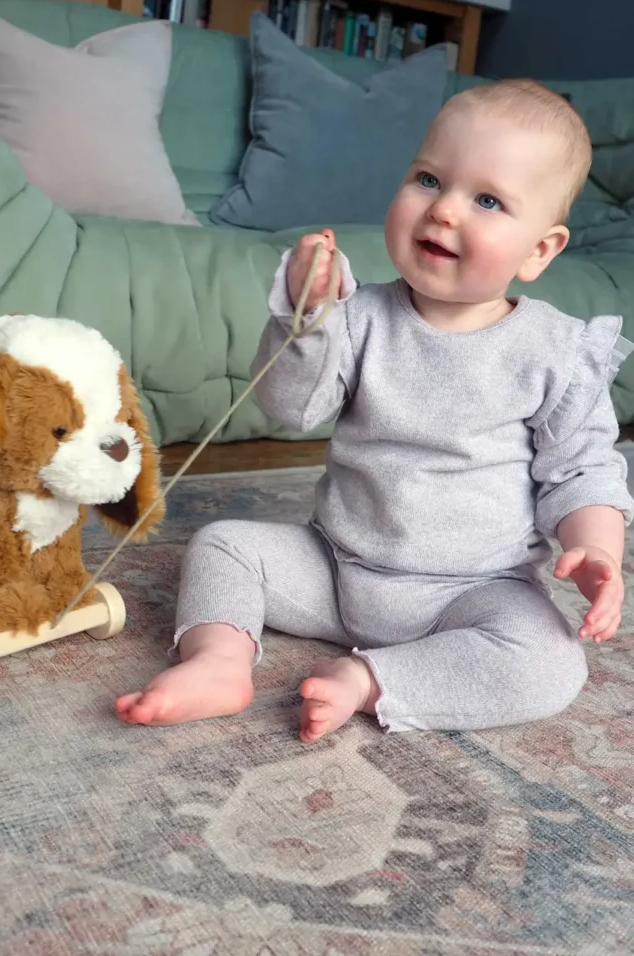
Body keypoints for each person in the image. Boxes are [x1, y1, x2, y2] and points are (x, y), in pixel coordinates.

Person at [116, 78, 633, 738]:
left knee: (552, 664)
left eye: (487, 200)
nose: (444, 210)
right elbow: (291, 407)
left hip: (471, 593)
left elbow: (580, 471)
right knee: (224, 547)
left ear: (539, 250)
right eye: (427, 179)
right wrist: (308, 319)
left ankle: (369, 680)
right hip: (335, 570)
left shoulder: (556, 352)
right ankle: (219, 660)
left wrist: (595, 548)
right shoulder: (359, 317)